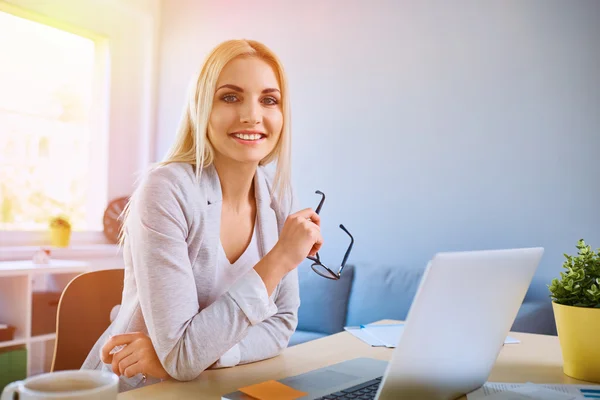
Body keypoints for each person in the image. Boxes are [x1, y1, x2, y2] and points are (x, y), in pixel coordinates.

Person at [81, 39, 324, 392]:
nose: (251, 115)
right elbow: (181, 355)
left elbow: (282, 326)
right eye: (230, 97)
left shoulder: (276, 196)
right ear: (201, 108)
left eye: (268, 100)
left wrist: (203, 356)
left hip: (217, 386)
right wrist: (281, 258)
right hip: (141, 390)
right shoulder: (167, 190)